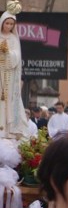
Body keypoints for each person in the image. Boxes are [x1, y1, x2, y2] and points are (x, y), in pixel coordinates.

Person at [0, 8, 29, 139]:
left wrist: (8, 52)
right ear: (2, 23)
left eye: (12, 24)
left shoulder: (13, 38)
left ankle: (9, 128)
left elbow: (17, 57)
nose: (9, 26)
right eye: (7, 23)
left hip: (9, 75)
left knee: (10, 100)